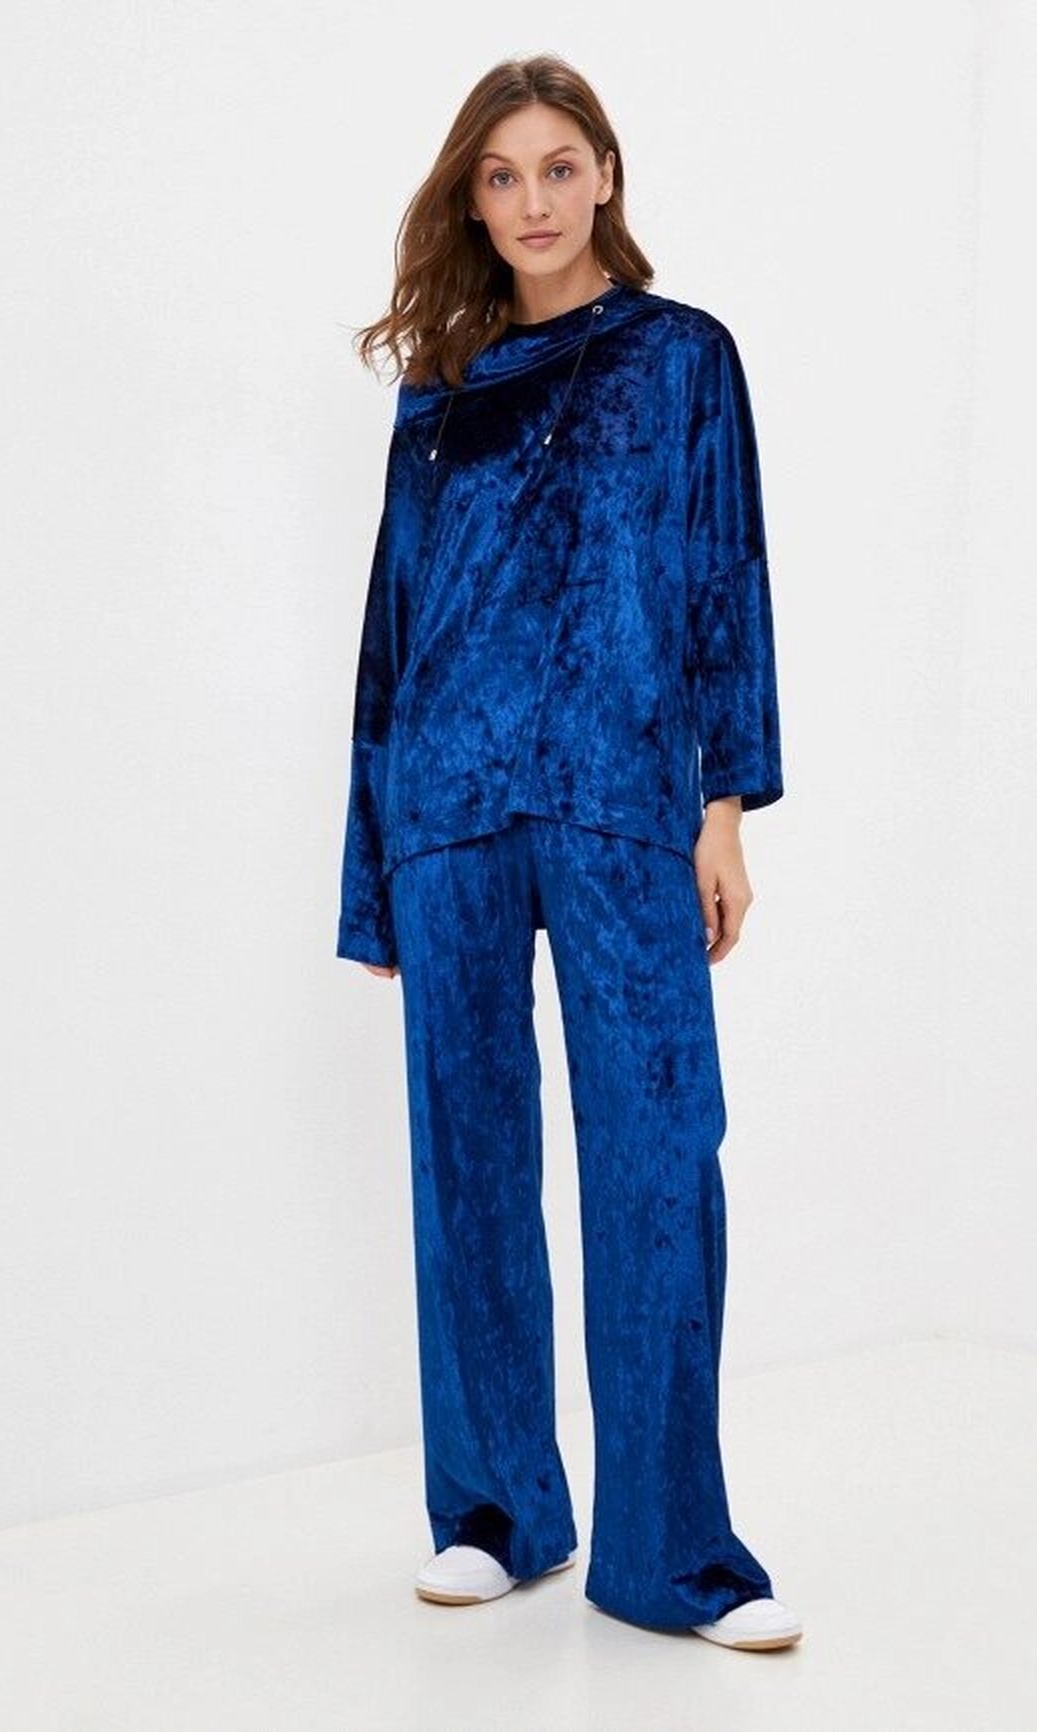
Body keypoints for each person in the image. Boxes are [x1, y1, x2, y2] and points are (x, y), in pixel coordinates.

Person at [335, 54, 803, 1653]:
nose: (531, 200)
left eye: (556, 166)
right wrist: (373, 872)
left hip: (622, 801)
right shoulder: (440, 394)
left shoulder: (684, 360)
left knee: (659, 1162)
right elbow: (393, 634)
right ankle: (494, 1513)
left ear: (605, 173)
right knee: (466, 1165)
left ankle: (672, 1554)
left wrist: (724, 805)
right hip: (450, 808)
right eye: (500, 176)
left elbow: (725, 578)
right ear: (472, 202)